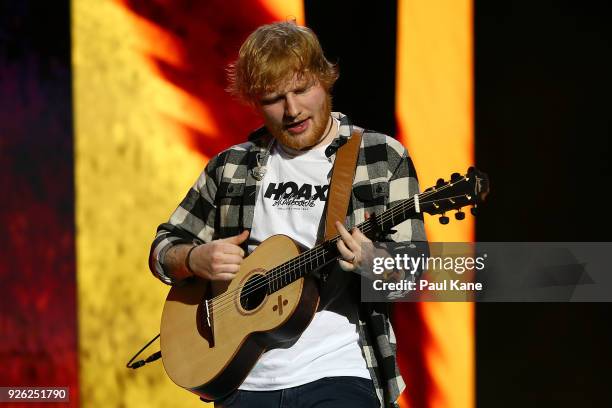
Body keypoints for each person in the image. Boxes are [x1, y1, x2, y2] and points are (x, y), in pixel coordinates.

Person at [148, 21, 426, 408]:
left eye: (301, 90)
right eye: (273, 98)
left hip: (340, 370)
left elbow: (414, 271)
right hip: (242, 377)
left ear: (325, 80)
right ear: (254, 102)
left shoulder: (379, 156)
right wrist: (195, 259)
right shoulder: (231, 166)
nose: (292, 109)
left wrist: (370, 261)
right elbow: (163, 248)